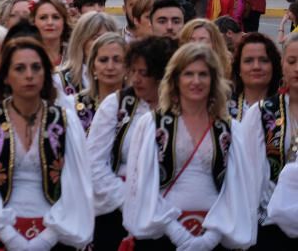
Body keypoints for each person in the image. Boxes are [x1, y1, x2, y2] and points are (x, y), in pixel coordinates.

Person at [0, 37, 94, 250]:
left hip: (55, 234)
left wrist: (46, 239)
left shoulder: (65, 120)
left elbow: (76, 182)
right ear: (6, 77)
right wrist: (11, 238)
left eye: (36, 68)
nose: (29, 75)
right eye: (20, 68)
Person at [122, 42, 255, 251]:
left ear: (213, 80)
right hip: (162, 237)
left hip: (214, 238)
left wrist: (210, 238)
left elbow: (238, 187)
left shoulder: (230, 129)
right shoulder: (151, 124)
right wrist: (178, 234)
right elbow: (141, 184)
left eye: (203, 74)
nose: (196, 81)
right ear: (175, 79)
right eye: (188, 74)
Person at [85, 36, 176, 251]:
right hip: (118, 209)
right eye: (132, 71)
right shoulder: (116, 104)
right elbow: (94, 164)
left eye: (143, 73)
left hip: (170, 210)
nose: (135, 79)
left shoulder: (182, 109)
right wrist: (131, 200)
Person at [246, 32, 298, 246]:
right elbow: (248, 174)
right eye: (292, 61)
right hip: (269, 225)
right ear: (282, 65)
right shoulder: (262, 112)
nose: (297, 68)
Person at [74, 32, 127, 134]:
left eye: (117, 60)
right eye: (103, 60)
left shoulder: (137, 106)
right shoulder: (75, 105)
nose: (110, 67)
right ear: (93, 67)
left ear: (127, 66)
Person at [59, 12, 117, 97]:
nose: (101, 43)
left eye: (106, 38)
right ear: (81, 41)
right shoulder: (60, 80)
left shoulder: (124, 76)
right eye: (95, 38)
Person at [228, 32, 281, 122]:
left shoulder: (286, 109)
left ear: (273, 66)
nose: (256, 66)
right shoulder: (223, 109)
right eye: (248, 61)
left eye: (264, 60)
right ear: (239, 69)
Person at [30, 0, 71, 67]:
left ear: (64, 21)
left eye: (55, 17)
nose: (50, 22)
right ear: (34, 22)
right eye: (43, 17)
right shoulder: (24, 56)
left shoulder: (76, 55)